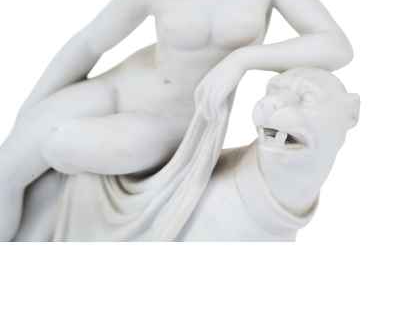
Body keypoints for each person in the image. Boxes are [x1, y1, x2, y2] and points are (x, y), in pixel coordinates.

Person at [0, 0, 353, 241]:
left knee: (58, 145)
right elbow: (90, 43)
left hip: (170, 123)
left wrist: (243, 59)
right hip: (116, 88)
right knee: (6, 170)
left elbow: (336, 46)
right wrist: (29, 110)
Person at [15, 68, 359, 241]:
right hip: (142, 129)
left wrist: (244, 59)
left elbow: (333, 44)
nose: (272, 104)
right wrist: (27, 118)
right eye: (273, 93)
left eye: (306, 98)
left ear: (351, 113)